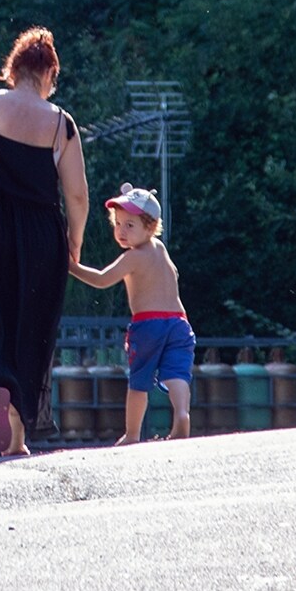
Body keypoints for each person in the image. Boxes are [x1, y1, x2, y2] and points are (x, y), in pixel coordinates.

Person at [0, 27, 88, 456]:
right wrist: (74, 243)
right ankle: (19, 437)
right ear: (50, 74)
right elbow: (77, 195)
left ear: (13, 68)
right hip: (42, 236)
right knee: (31, 327)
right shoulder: (61, 124)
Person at [69, 185, 192, 445]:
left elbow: (102, 280)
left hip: (149, 324)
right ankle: (181, 413)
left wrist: (71, 267)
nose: (121, 232)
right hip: (179, 323)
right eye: (119, 224)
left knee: (139, 380)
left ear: (150, 227)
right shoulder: (160, 249)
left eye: (130, 226)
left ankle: (133, 433)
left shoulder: (133, 257)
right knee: (176, 374)